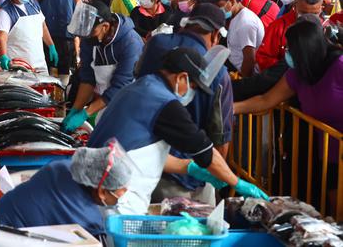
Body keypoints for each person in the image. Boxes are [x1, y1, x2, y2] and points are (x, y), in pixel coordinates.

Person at [87, 47, 268, 214]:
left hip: (100, 188)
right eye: (193, 87)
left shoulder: (140, 87)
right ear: (181, 78)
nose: (192, 93)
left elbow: (140, 154)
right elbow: (204, 151)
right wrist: (237, 183)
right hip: (116, 199)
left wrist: (188, 167)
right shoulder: (164, 103)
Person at [235, 15, 342, 208]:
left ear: (304, 50)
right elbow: (266, 100)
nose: (286, 52)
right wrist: (231, 108)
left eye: (290, 48)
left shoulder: (339, 66)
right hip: (328, 154)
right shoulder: (298, 73)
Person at [136, 4, 233, 204]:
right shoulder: (218, 73)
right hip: (189, 174)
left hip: (143, 163)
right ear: (215, 35)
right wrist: (220, 174)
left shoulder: (155, 44)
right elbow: (220, 134)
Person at [0, 144, 133, 238]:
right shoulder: (86, 219)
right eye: (121, 192)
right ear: (102, 192)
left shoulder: (61, 168)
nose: (123, 196)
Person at [61, 0, 143, 132]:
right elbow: (88, 77)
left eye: (91, 33)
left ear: (105, 26)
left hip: (130, 103)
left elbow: (120, 86)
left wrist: (86, 113)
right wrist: (76, 109)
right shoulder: (90, 39)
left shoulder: (130, 43)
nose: (86, 38)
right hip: (104, 102)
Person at [0, 0, 57, 74]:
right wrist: (3, 56)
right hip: (18, 66)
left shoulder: (33, 4)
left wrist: (51, 46)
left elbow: (43, 26)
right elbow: (1, 37)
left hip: (39, 62)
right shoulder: (4, 11)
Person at [35, 0, 81, 83]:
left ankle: (50, 90)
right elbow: (79, 7)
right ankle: (63, 93)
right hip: (66, 33)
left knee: (49, 65)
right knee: (64, 68)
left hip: (45, 33)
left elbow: (34, 7)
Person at [256, 0, 323, 71]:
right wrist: (289, 69)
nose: (308, 17)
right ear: (295, 5)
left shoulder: (325, 28)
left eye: (314, 13)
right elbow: (263, 58)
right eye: (304, 13)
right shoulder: (278, 27)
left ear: (321, 8)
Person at [211, 0, 264, 77]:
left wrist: (240, 80)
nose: (218, 9)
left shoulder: (245, 22)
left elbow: (249, 59)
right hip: (233, 64)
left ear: (231, 1)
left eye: (219, 6)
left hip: (242, 72)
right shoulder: (236, 16)